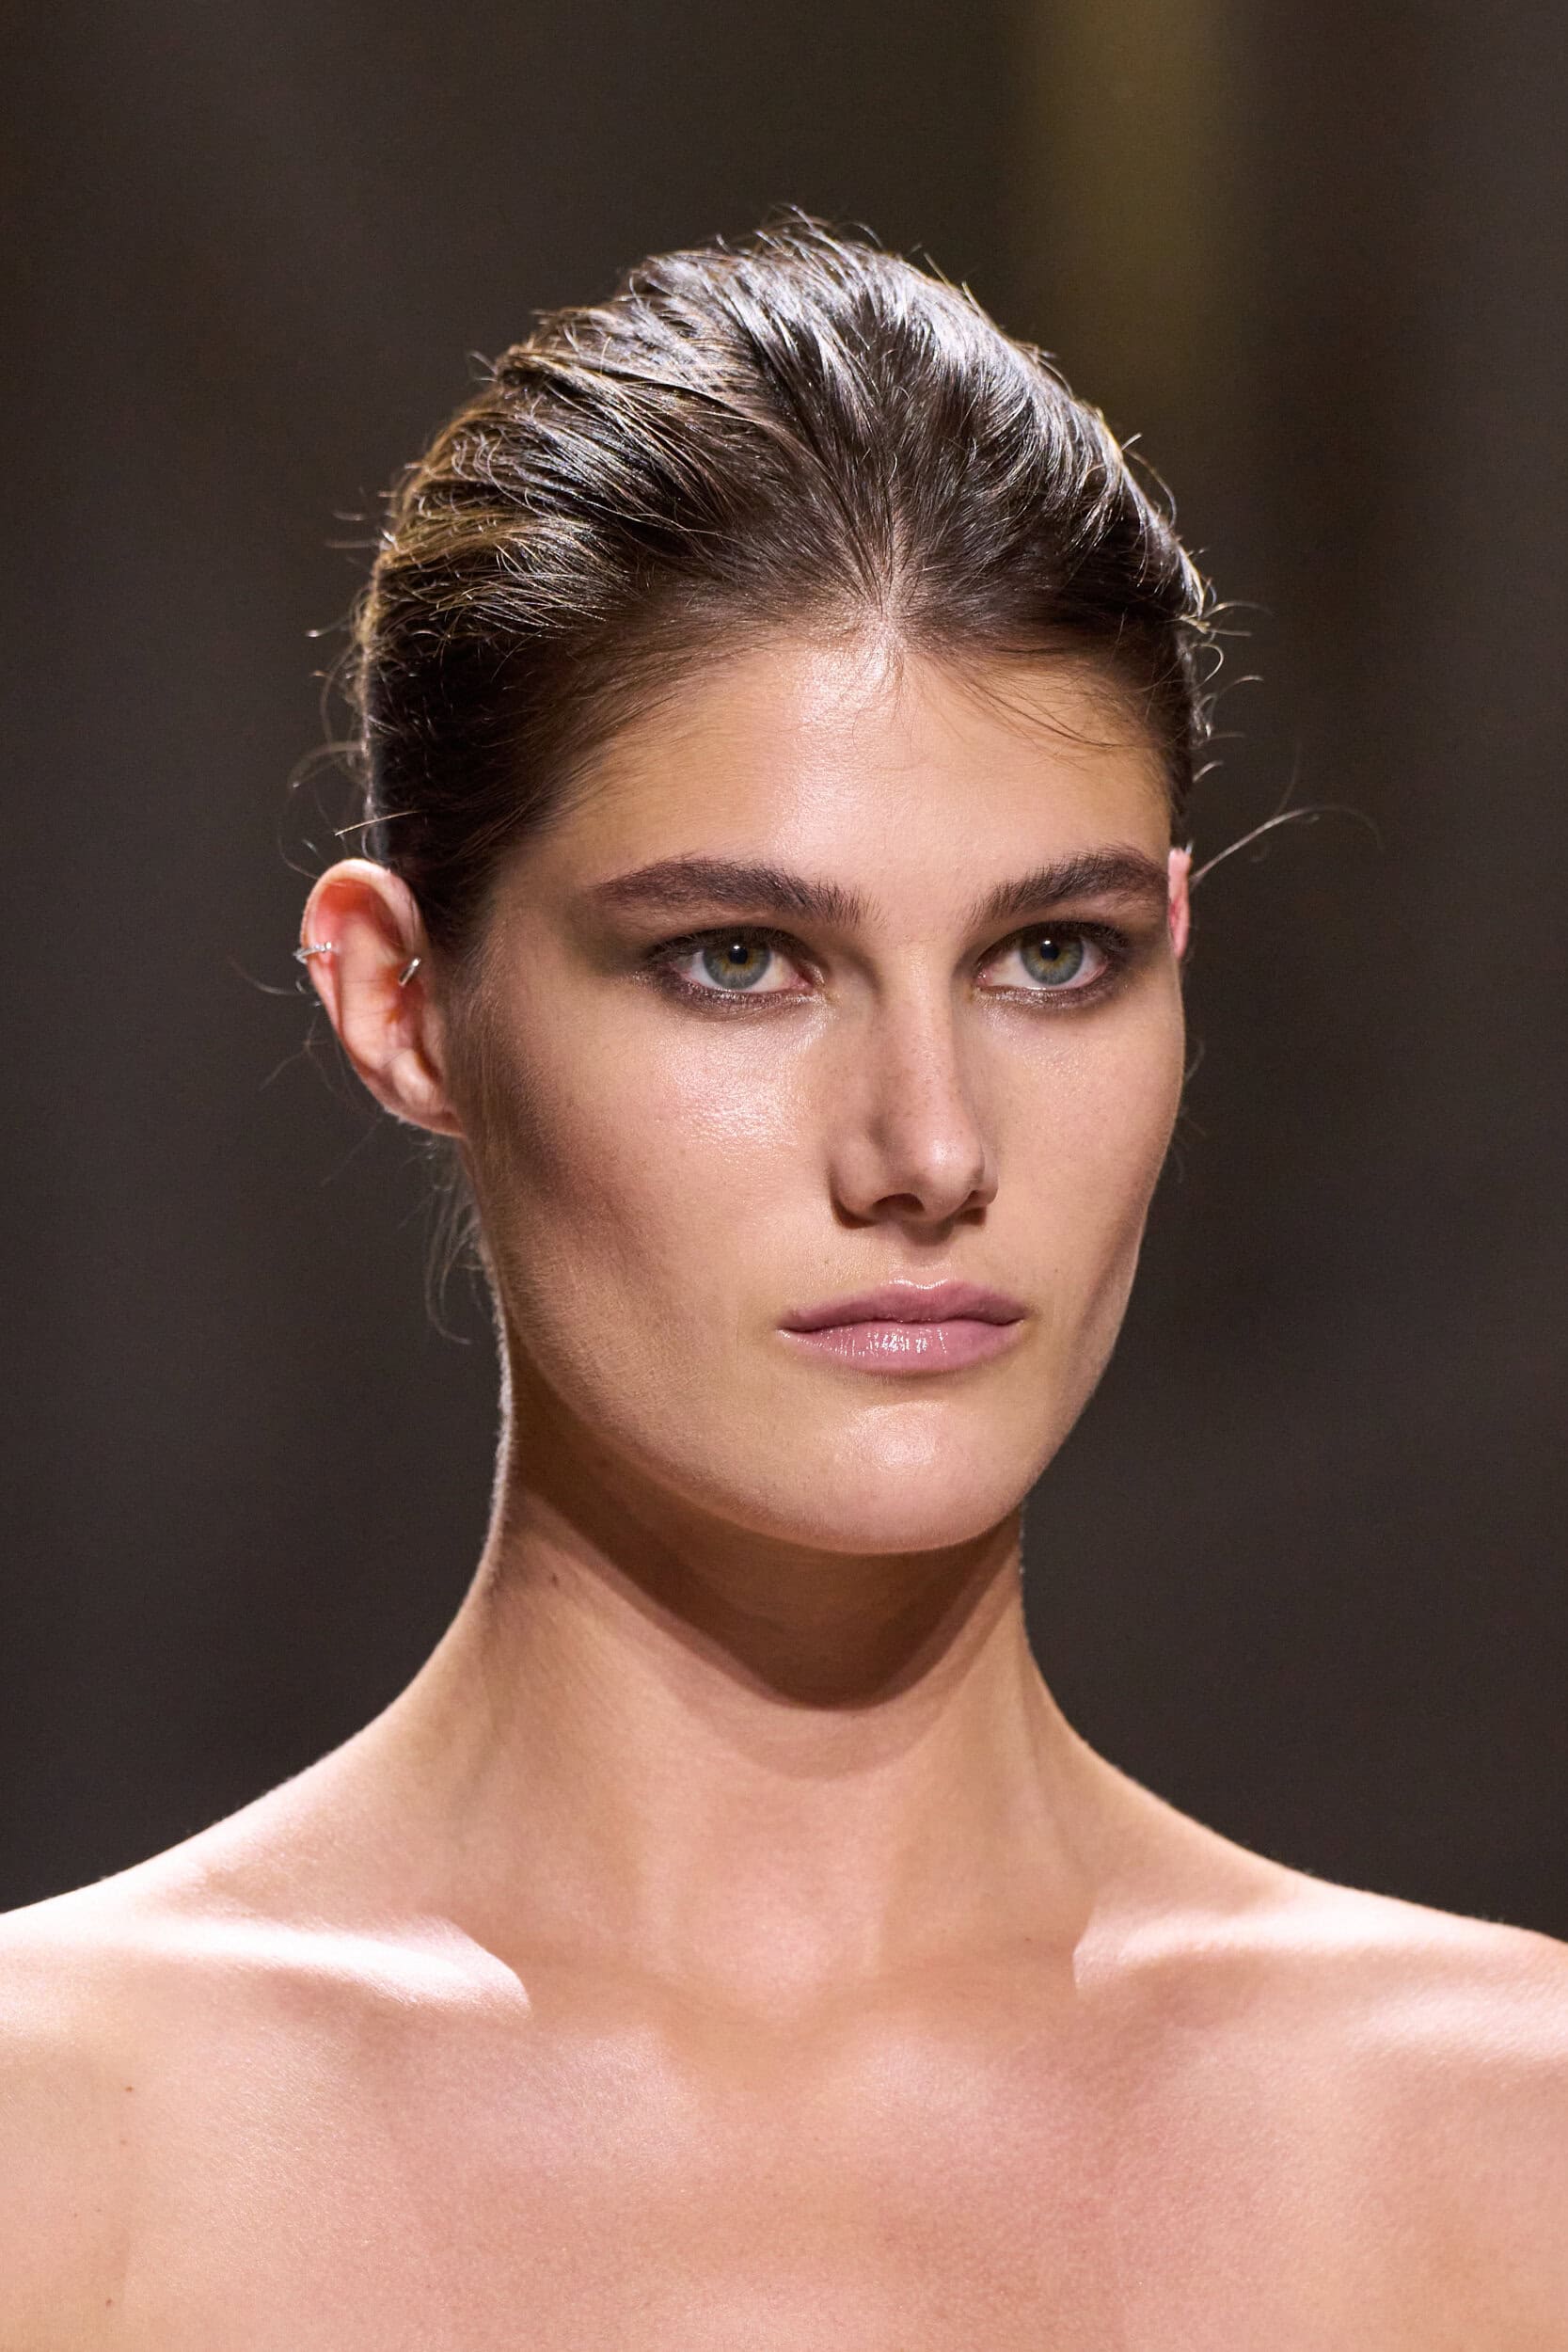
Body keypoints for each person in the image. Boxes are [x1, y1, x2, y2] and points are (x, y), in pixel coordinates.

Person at [1, 218, 1562, 2348]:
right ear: (400, 1001)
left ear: (1177, 955)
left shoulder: (1514, 2154)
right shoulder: (58, 2154)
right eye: (738, 960)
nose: (931, 1148)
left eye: (1054, 956)